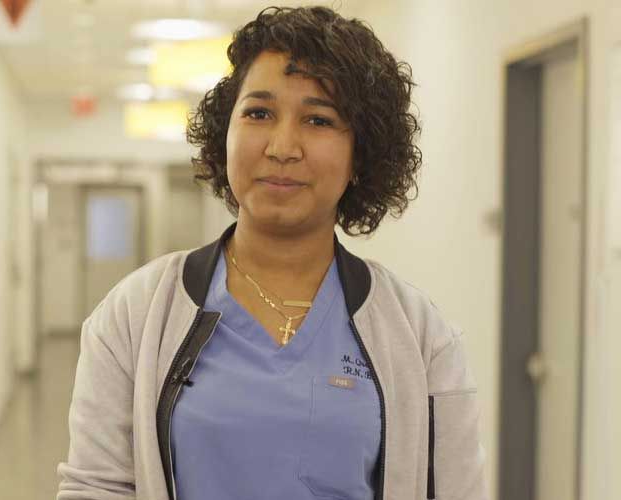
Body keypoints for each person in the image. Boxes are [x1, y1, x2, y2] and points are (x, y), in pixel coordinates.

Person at [56, 6, 487, 500]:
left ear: (360, 155)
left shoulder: (420, 336)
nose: (283, 146)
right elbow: (96, 488)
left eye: (318, 119)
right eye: (259, 112)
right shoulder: (135, 315)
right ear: (225, 132)